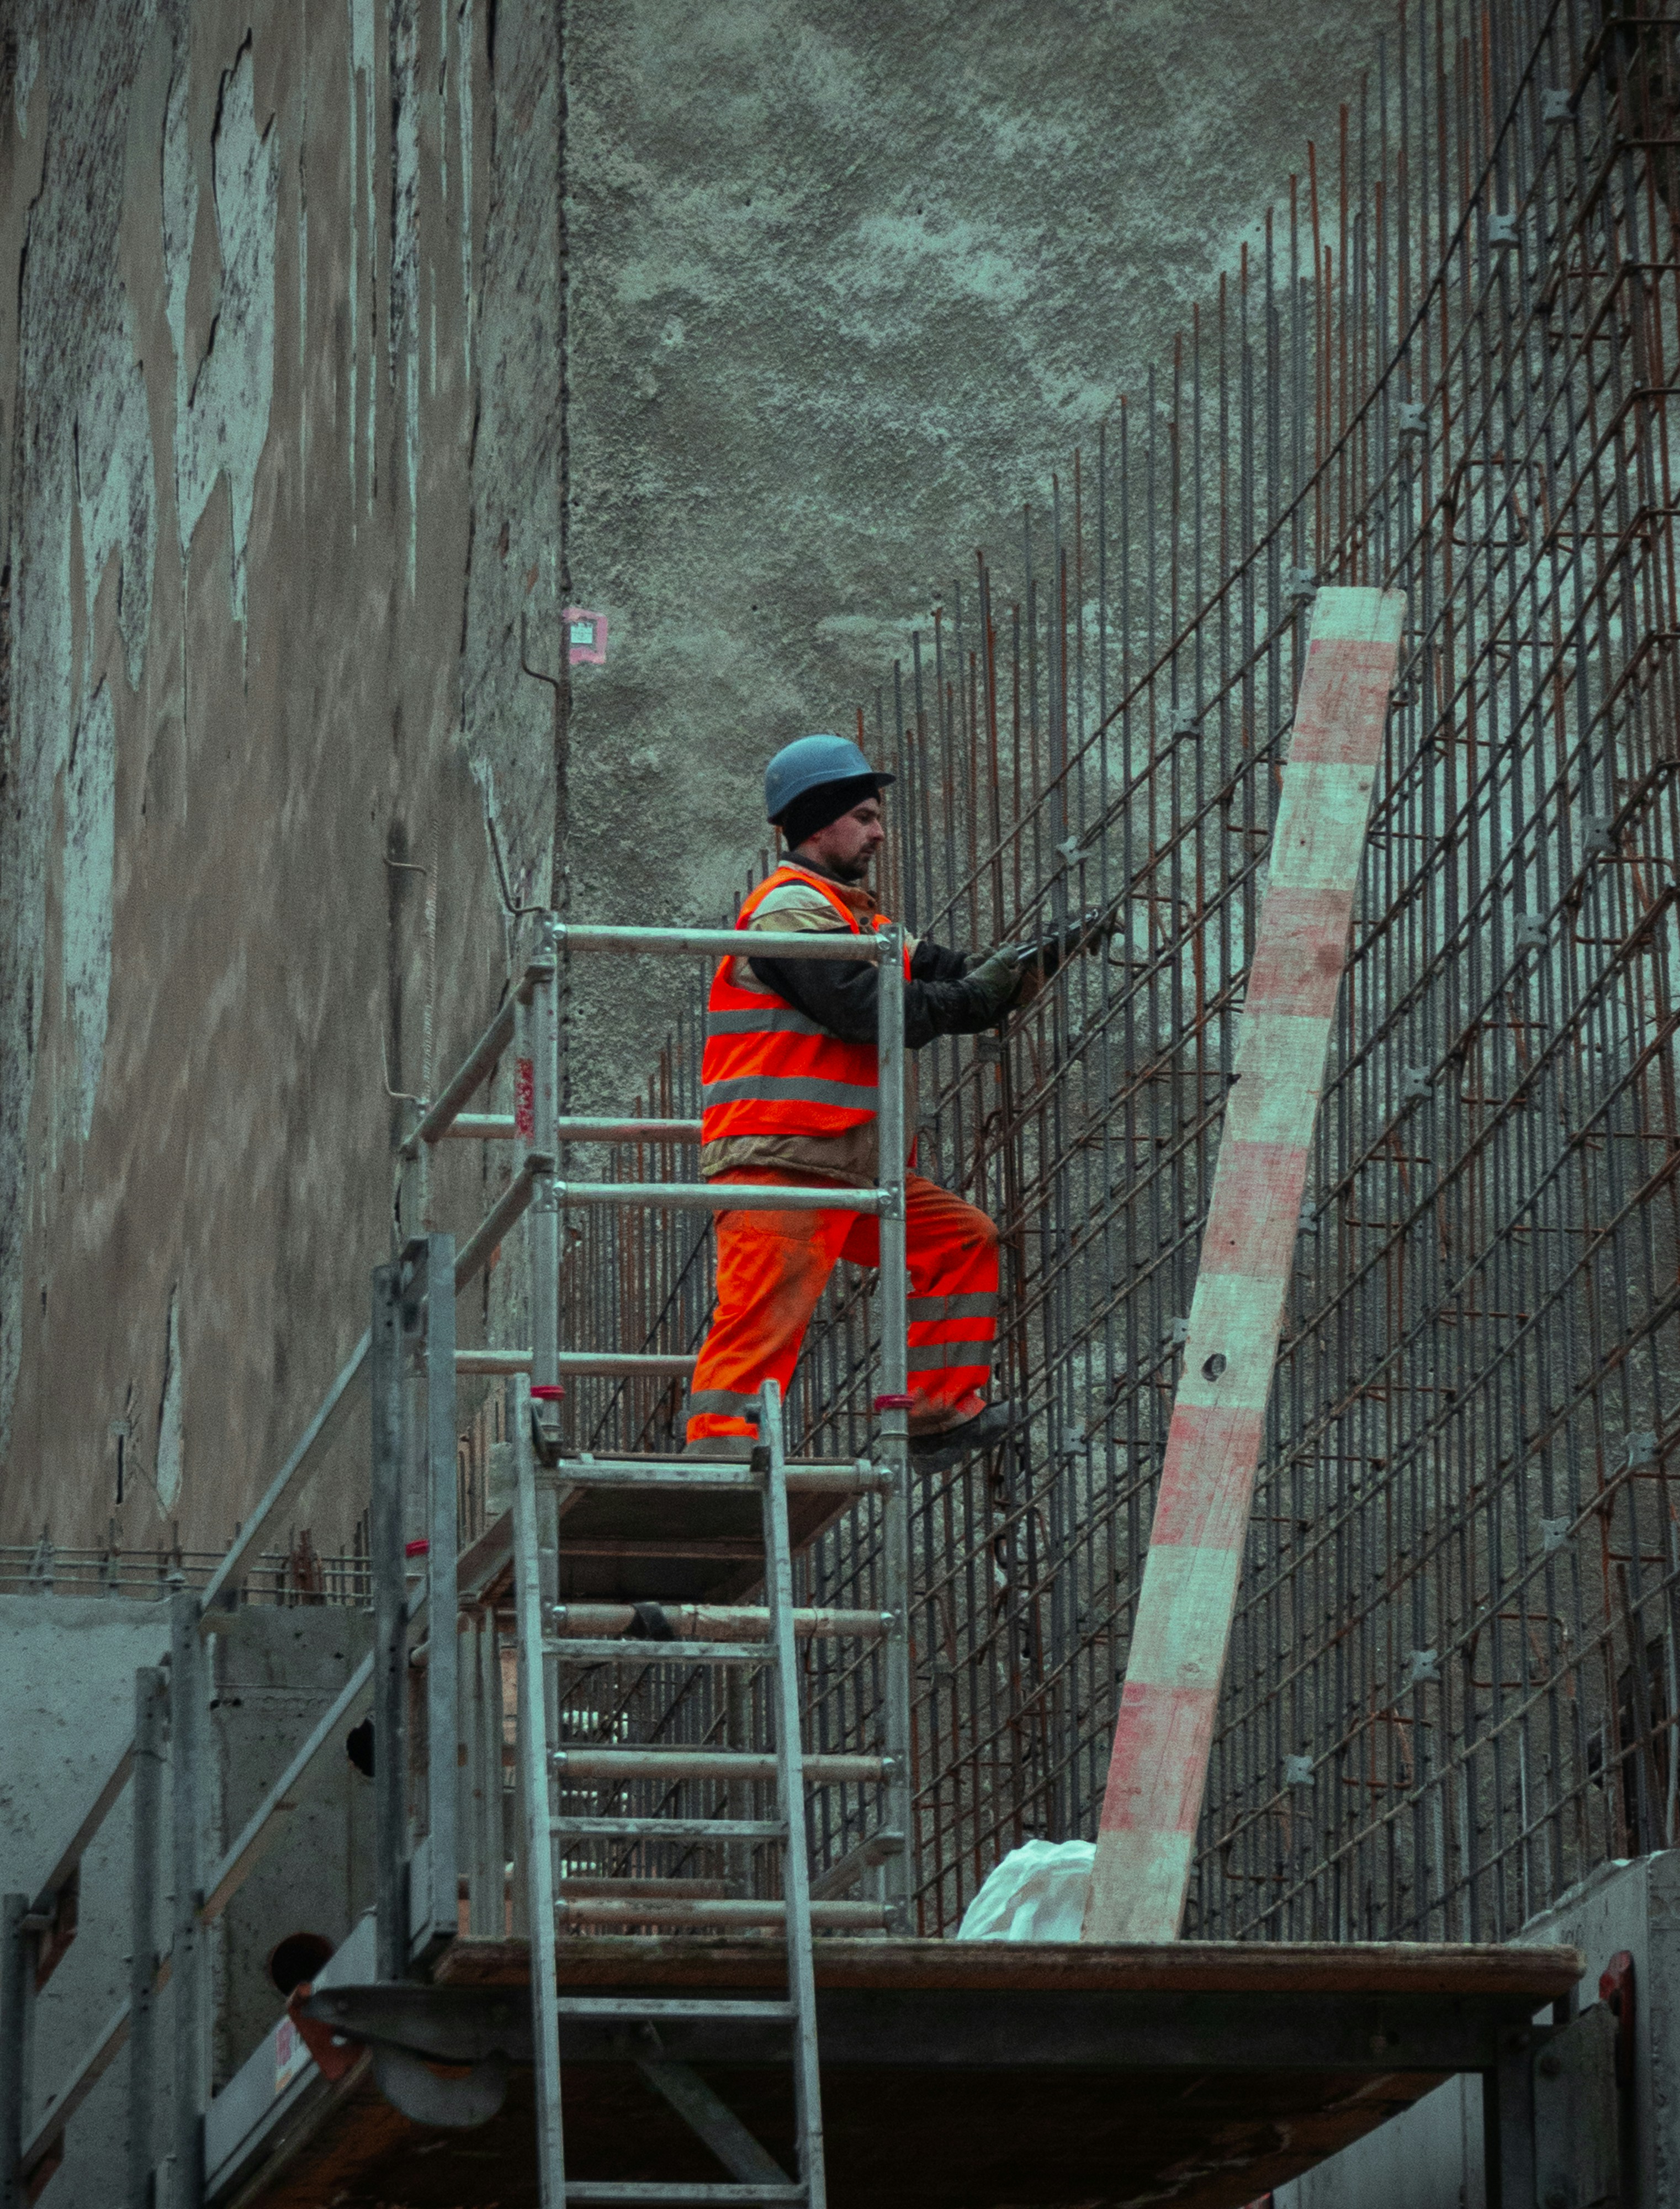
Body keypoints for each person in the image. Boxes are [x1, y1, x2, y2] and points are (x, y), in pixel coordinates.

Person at [685, 732, 1030, 1470]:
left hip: (845, 1165)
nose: (879, 833)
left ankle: (937, 1410)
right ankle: (719, 1458)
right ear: (818, 822)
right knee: (762, 1320)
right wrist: (973, 994)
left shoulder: (858, 922)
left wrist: (1038, 960)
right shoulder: (786, 911)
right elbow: (863, 1008)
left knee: (961, 1240)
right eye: (865, 817)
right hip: (782, 1159)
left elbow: (955, 978)